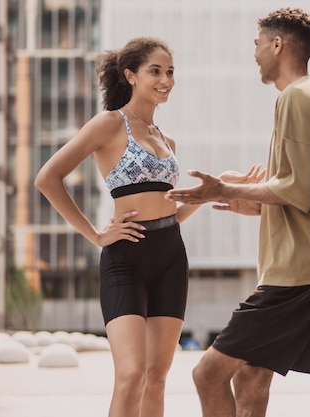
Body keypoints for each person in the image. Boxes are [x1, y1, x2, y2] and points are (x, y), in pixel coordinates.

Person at [34, 37, 262, 417]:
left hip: (171, 256)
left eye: (170, 72)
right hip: (126, 258)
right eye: (155, 71)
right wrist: (95, 234)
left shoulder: (166, 140)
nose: (165, 80)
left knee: (157, 377)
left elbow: (170, 209)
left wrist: (214, 188)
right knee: (131, 375)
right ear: (131, 76)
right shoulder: (108, 124)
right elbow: (47, 178)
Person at [166, 8, 310, 417]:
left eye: (257, 44)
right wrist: (253, 203)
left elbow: (297, 189)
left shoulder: (297, 97)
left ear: (277, 44)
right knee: (249, 377)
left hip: (298, 273)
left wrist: (222, 188)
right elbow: (309, 193)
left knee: (207, 374)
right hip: (304, 266)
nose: (255, 54)